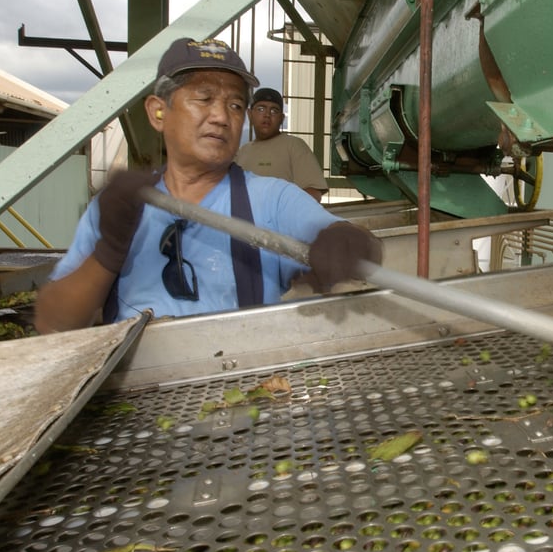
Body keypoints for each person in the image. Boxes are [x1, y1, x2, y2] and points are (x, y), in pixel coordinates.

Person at [35, 37, 381, 333]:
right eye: (204, 98)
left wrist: (347, 243)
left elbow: (332, 232)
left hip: (239, 387)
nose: (221, 116)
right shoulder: (120, 208)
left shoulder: (272, 200)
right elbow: (54, 324)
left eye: (234, 104)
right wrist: (108, 251)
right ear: (158, 112)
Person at [236, 87, 328, 202]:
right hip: (244, 219)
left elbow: (313, 194)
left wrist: (282, 213)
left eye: (274, 111)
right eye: (261, 109)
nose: (267, 115)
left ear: (281, 118)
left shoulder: (294, 145)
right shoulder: (242, 152)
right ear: (250, 114)